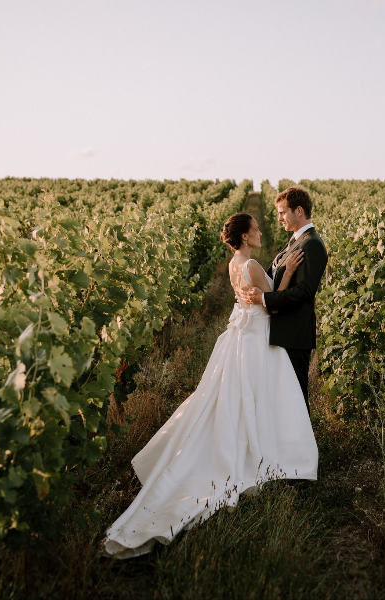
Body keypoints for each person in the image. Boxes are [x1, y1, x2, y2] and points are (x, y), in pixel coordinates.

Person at [103, 213, 318, 559]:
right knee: (261, 396)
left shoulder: (235, 263)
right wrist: (289, 271)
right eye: (257, 229)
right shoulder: (251, 266)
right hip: (256, 336)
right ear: (246, 237)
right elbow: (274, 303)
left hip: (240, 336)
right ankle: (266, 455)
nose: (261, 231)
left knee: (234, 396)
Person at [239, 186, 329, 412]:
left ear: (299, 211)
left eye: (282, 212)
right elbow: (272, 274)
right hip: (283, 330)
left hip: (294, 334)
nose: (279, 218)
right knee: (283, 399)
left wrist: (265, 299)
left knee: (296, 398)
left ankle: (302, 447)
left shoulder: (312, 244)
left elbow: (304, 291)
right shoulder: (296, 241)